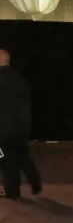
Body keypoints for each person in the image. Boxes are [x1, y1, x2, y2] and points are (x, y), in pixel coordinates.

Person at [0, 49, 42, 199]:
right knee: (22, 157)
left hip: (4, 129)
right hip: (21, 128)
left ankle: (12, 191)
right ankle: (35, 182)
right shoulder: (19, 79)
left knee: (6, 160)